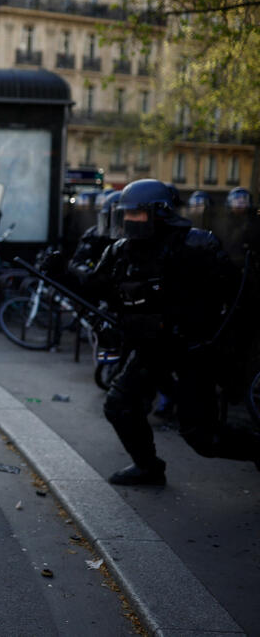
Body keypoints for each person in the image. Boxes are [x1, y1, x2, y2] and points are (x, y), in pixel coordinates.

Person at [81, 179, 260, 485]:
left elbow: (238, 300)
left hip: (192, 351)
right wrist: (61, 271)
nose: (128, 221)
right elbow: (96, 286)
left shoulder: (198, 245)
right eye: (125, 214)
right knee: (120, 405)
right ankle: (147, 466)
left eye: (135, 213)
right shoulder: (123, 250)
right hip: (151, 347)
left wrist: (222, 348)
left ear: (159, 213)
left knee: (203, 437)